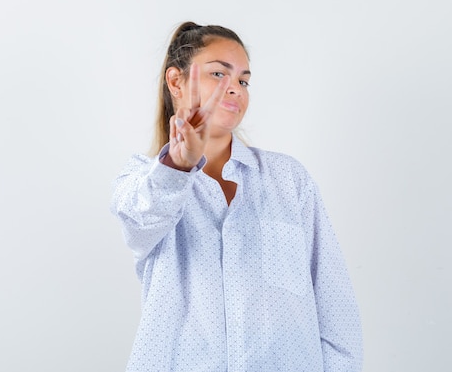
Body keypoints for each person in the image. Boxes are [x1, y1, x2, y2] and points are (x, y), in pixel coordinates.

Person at [110, 21, 363, 371]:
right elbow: (142, 222)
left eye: (243, 80)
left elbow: (335, 309)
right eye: (218, 74)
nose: (235, 89)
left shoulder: (289, 180)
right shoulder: (140, 180)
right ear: (175, 81)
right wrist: (180, 165)